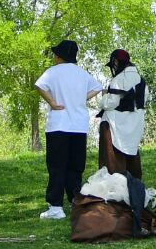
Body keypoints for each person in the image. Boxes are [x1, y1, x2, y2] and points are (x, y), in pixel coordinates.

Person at [35, 39, 102, 220]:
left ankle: (56, 207)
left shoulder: (53, 72)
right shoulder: (82, 74)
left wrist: (52, 102)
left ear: (59, 56)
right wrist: (81, 99)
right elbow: (98, 87)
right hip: (79, 126)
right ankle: (75, 201)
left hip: (58, 125)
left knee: (57, 166)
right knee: (75, 166)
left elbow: (39, 85)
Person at [96, 49, 147, 180]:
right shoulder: (141, 80)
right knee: (132, 157)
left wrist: (104, 96)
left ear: (116, 62)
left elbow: (110, 103)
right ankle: (133, 187)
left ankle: (115, 190)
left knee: (113, 159)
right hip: (134, 124)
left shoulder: (119, 79)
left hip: (114, 125)